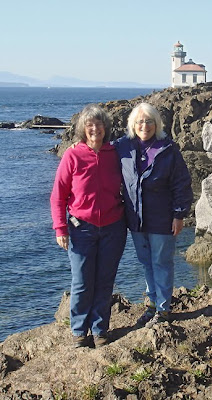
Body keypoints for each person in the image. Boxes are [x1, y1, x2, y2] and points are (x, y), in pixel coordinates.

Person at [50, 104, 126, 348]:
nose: (95, 129)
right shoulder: (73, 155)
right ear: (83, 129)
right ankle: (79, 332)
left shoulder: (115, 152)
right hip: (82, 228)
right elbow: (58, 195)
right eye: (90, 125)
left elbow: (138, 144)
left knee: (105, 281)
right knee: (82, 281)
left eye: (99, 124)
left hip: (114, 227)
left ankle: (100, 329)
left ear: (106, 127)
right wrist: (60, 228)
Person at [114, 102, 193, 328]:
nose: (144, 125)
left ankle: (163, 309)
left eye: (149, 121)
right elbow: (96, 149)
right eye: (140, 121)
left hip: (162, 219)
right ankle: (152, 304)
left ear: (157, 124)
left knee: (161, 262)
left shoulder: (167, 150)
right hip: (136, 220)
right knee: (146, 262)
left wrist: (179, 215)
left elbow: (181, 184)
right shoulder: (123, 147)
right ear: (132, 124)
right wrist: (75, 147)